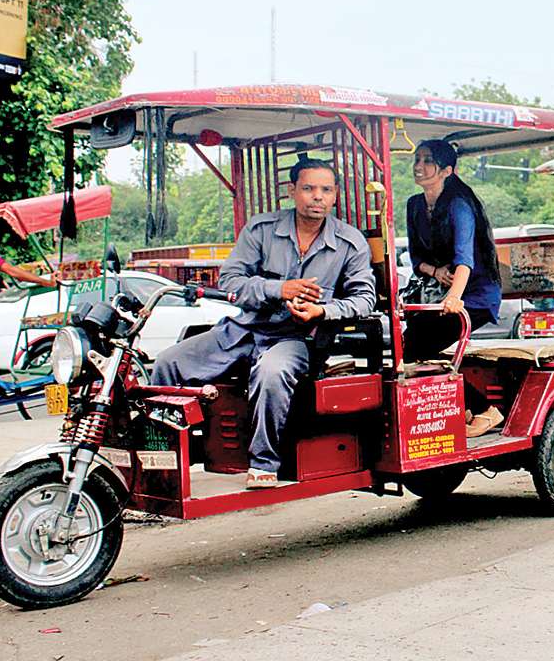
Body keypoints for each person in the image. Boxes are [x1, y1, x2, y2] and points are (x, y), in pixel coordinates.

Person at [151, 158, 376, 489]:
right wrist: (277, 290)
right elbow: (230, 282)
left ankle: (263, 464)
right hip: (245, 330)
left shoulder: (349, 242)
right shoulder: (261, 229)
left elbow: (364, 299)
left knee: (271, 372)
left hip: (296, 341)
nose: (317, 197)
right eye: (309, 188)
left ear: (335, 196)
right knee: (168, 363)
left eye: (326, 190)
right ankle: (162, 463)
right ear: (292, 191)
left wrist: (322, 312)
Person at [403, 139, 504, 436]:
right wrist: (436, 271)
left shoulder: (459, 204)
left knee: (419, 345)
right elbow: (416, 259)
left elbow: (465, 259)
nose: (419, 166)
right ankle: (468, 409)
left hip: (475, 295)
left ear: (447, 170)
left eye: (428, 161)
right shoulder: (414, 205)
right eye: (417, 159)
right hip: (439, 293)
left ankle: (488, 411)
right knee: (408, 347)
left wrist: (454, 297)